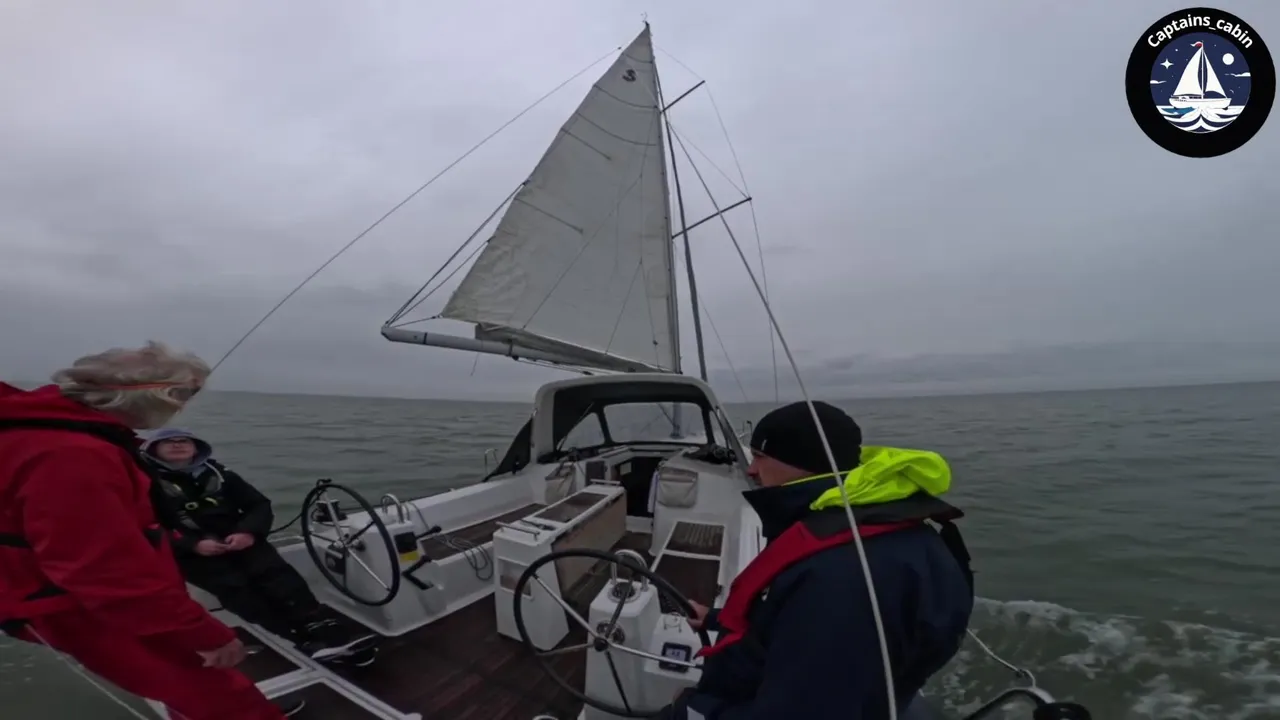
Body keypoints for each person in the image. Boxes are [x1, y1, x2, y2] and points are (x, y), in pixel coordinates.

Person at [0, 342, 301, 719]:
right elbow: (106, 574)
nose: (181, 407)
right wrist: (205, 634)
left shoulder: (44, 434)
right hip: (91, 609)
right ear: (155, 396)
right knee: (214, 694)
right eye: (183, 395)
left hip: (95, 597)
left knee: (191, 692)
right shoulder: (72, 456)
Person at [665, 400, 975, 719]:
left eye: (760, 456)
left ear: (801, 462)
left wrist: (690, 710)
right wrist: (715, 619)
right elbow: (803, 623)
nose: (751, 469)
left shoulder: (841, 577)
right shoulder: (870, 526)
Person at [140, 427, 375, 663]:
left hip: (240, 540)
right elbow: (143, 526)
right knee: (240, 592)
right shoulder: (144, 481)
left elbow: (259, 505)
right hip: (193, 553)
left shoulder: (221, 474)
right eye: (168, 442)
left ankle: (324, 626)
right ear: (154, 449)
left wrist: (248, 533)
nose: (177, 445)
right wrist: (193, 545)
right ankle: (299, 638)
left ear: (196, 447)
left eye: (184, 441)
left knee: (281, 579)